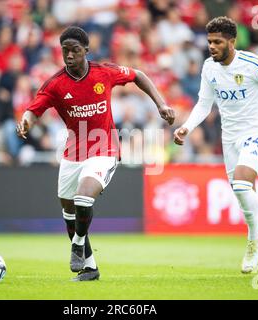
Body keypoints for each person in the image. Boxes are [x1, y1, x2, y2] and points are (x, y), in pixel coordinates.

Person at [17, 26, 175, 281]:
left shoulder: (104, 72)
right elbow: (33, 110)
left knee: (83, 198)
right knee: (69, 213)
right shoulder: (56, 84)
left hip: (104, 148)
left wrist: (161, 104)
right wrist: (25, 122)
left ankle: (78, 243)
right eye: (65, 50)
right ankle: (90, 268)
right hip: (72, 153)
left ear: (86, 51)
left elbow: (139, 75)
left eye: (75, 50)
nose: (69, 56)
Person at [173, 17, 258, 278]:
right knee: (245, 195)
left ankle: (254, 242)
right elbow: (204, 104)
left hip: (257, 133)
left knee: (242, 184)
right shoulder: (209, 67)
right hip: (229, 138)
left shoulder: (254, 64)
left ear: (232, 41)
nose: (211, 46)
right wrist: (187, 126)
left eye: (217, 42)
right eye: (209, 41)